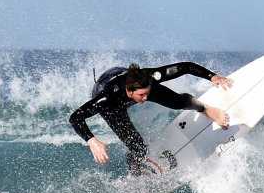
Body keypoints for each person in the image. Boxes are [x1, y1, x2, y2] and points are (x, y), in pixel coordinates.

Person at [69, 62, 232, 175]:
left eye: (147, 93)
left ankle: (207, 109)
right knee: (138, 148)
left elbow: (185, 67)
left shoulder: (149, 77)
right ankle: (136, 171)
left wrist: (212, 76)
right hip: (107, 93)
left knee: (176, 102)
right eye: (141, 95)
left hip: (127, 75)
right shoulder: (107, 99)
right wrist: (92, 140)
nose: (146, 98)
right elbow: (75, 117)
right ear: (130, 91)